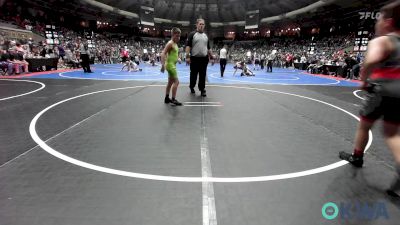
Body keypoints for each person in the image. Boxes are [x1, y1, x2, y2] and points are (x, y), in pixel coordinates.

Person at [339, 0, 400, 197]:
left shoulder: (382, 41)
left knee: (364, 124)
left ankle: (357, 157)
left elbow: (372, 60)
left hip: (381, 90)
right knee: (392, 134)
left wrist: (364, 80)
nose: (377, 23)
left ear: (388, 22)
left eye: (379, 18)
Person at [185, 18, 214, 97]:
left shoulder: (205, 36)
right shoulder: (192, 34)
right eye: (200, 24)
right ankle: (191, 86)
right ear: (197, 25)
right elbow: (188, 46)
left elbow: (208, 48)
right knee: (193, 75)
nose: (201, 25)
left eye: (203, 24)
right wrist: (187, 57)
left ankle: (202, 89)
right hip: (194, 59)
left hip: (204, 59)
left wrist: (212, 57)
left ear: (204, 26)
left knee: (202, 75)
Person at [161, 27, 183, 106]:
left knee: (170, 82)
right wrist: (163, 65)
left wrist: (178, 59)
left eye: (179, 36)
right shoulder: (170, 43)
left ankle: (167, 98)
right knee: (176, 82)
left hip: (172, 64)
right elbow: (163, 53)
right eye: (177, 36)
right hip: (170, 65)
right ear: (173, 35)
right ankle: (173, 99)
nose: (178, 38)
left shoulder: (175, 44)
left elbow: (173, 55)